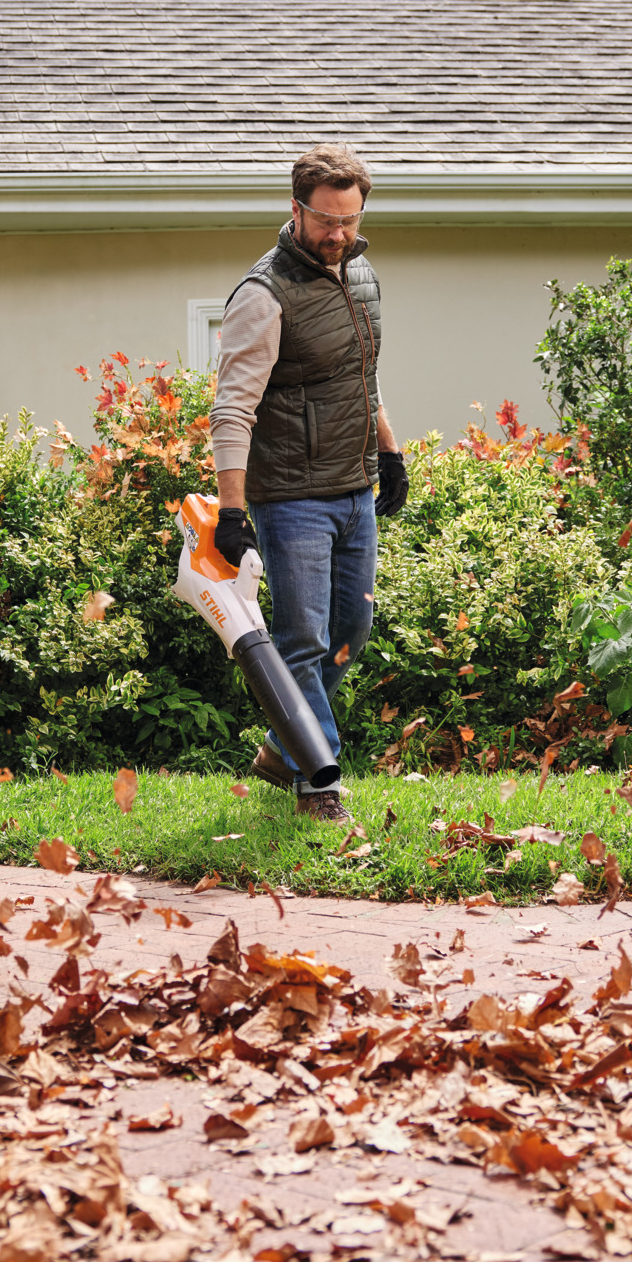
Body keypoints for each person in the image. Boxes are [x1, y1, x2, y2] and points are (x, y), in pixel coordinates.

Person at [208, 143, 407, 824]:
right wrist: (232, 510)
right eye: (327, 222)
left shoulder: (361, 276)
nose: (340, 236)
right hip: (291, 496)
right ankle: (318, 785)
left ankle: (281, 746)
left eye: (351, 222)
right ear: (295, 210)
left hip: (353, 487)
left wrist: (391, 451)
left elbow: (362, 376)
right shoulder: (263, 297)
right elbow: (232, 407)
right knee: (301, 640)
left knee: (353, 628)